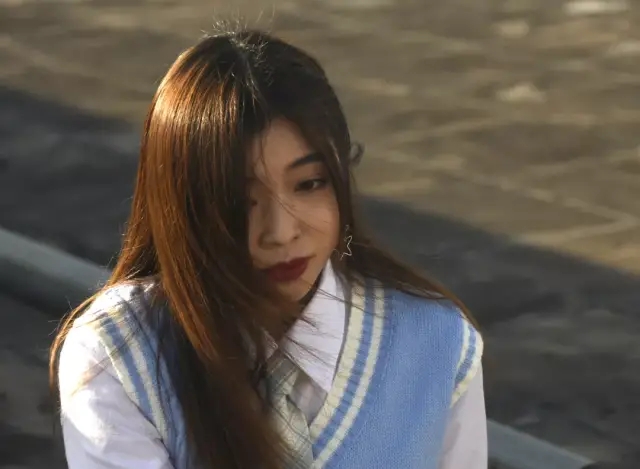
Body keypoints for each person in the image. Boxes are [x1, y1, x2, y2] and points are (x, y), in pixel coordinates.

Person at [50, 28, 486, 469]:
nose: (279, 232)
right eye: (240, 201)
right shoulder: (122, 357)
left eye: (309, 184)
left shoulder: (436, 342)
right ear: (182, 206)